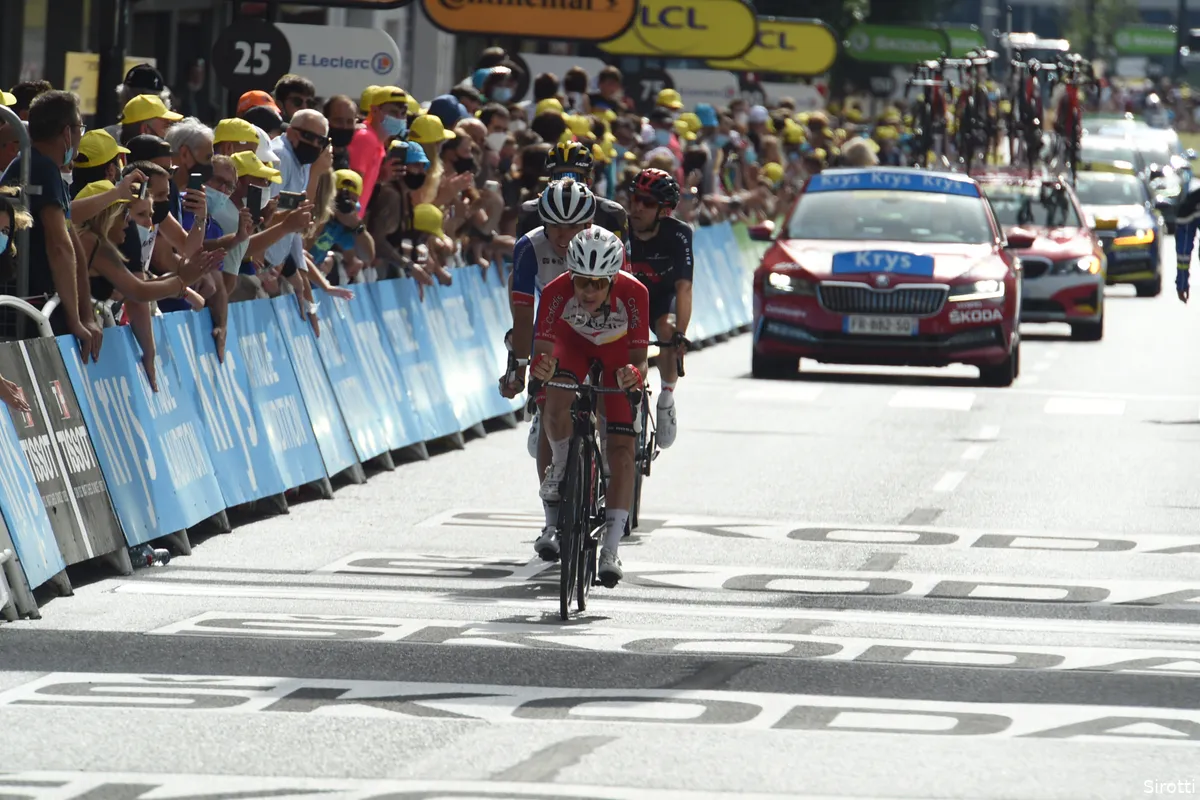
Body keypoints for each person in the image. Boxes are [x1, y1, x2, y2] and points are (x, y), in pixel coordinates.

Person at [529, 226, 648, 585]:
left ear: (613, 279)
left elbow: (639, 360)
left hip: (616, 352)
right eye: (582, 282)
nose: (590, 291)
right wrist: (542, 368)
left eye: (599, 283)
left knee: (623, 451)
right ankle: (562, 467)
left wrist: (632, 375)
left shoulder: (634, 293)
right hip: (573, 345)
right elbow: (542, 355)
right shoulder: (555, 292)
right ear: (571, 276)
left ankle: (611, 548)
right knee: (554, 398)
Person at [502, 180, 597, 515]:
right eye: (554, 226)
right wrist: (519, 367)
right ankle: (552, 519)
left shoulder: (603, 244)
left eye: (571, 227)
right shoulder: (530, 246)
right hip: (552, 321)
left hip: (599, 325)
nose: (562, 236)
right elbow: (526, 311)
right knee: (547, 411)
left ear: (587, 225)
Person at [0, 90, 103, 359]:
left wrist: (86, 314)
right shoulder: (41, 168)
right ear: (67, 132)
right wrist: (75, 320)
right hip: (27, 308)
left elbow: (72, 245)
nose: (80, 135)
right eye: (80, 127)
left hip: (35, 300)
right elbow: (59, 247)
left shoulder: (42, 167)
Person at [626, 168, 692, 449]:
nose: (638, 206)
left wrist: (680, 335)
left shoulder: (679, 234)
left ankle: (666, 399)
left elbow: (684, 288)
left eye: (648, 203)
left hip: (661, 299)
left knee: (667, 329)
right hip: (625, 298)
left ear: (664, 211)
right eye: (636, 198)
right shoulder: (620, 225)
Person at [515, 142, 628, 241]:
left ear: (589, 181)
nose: (566, 182)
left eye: (573, 177)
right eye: (560, 177)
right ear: (549, 181)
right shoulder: (528, 212)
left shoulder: (612, 213)